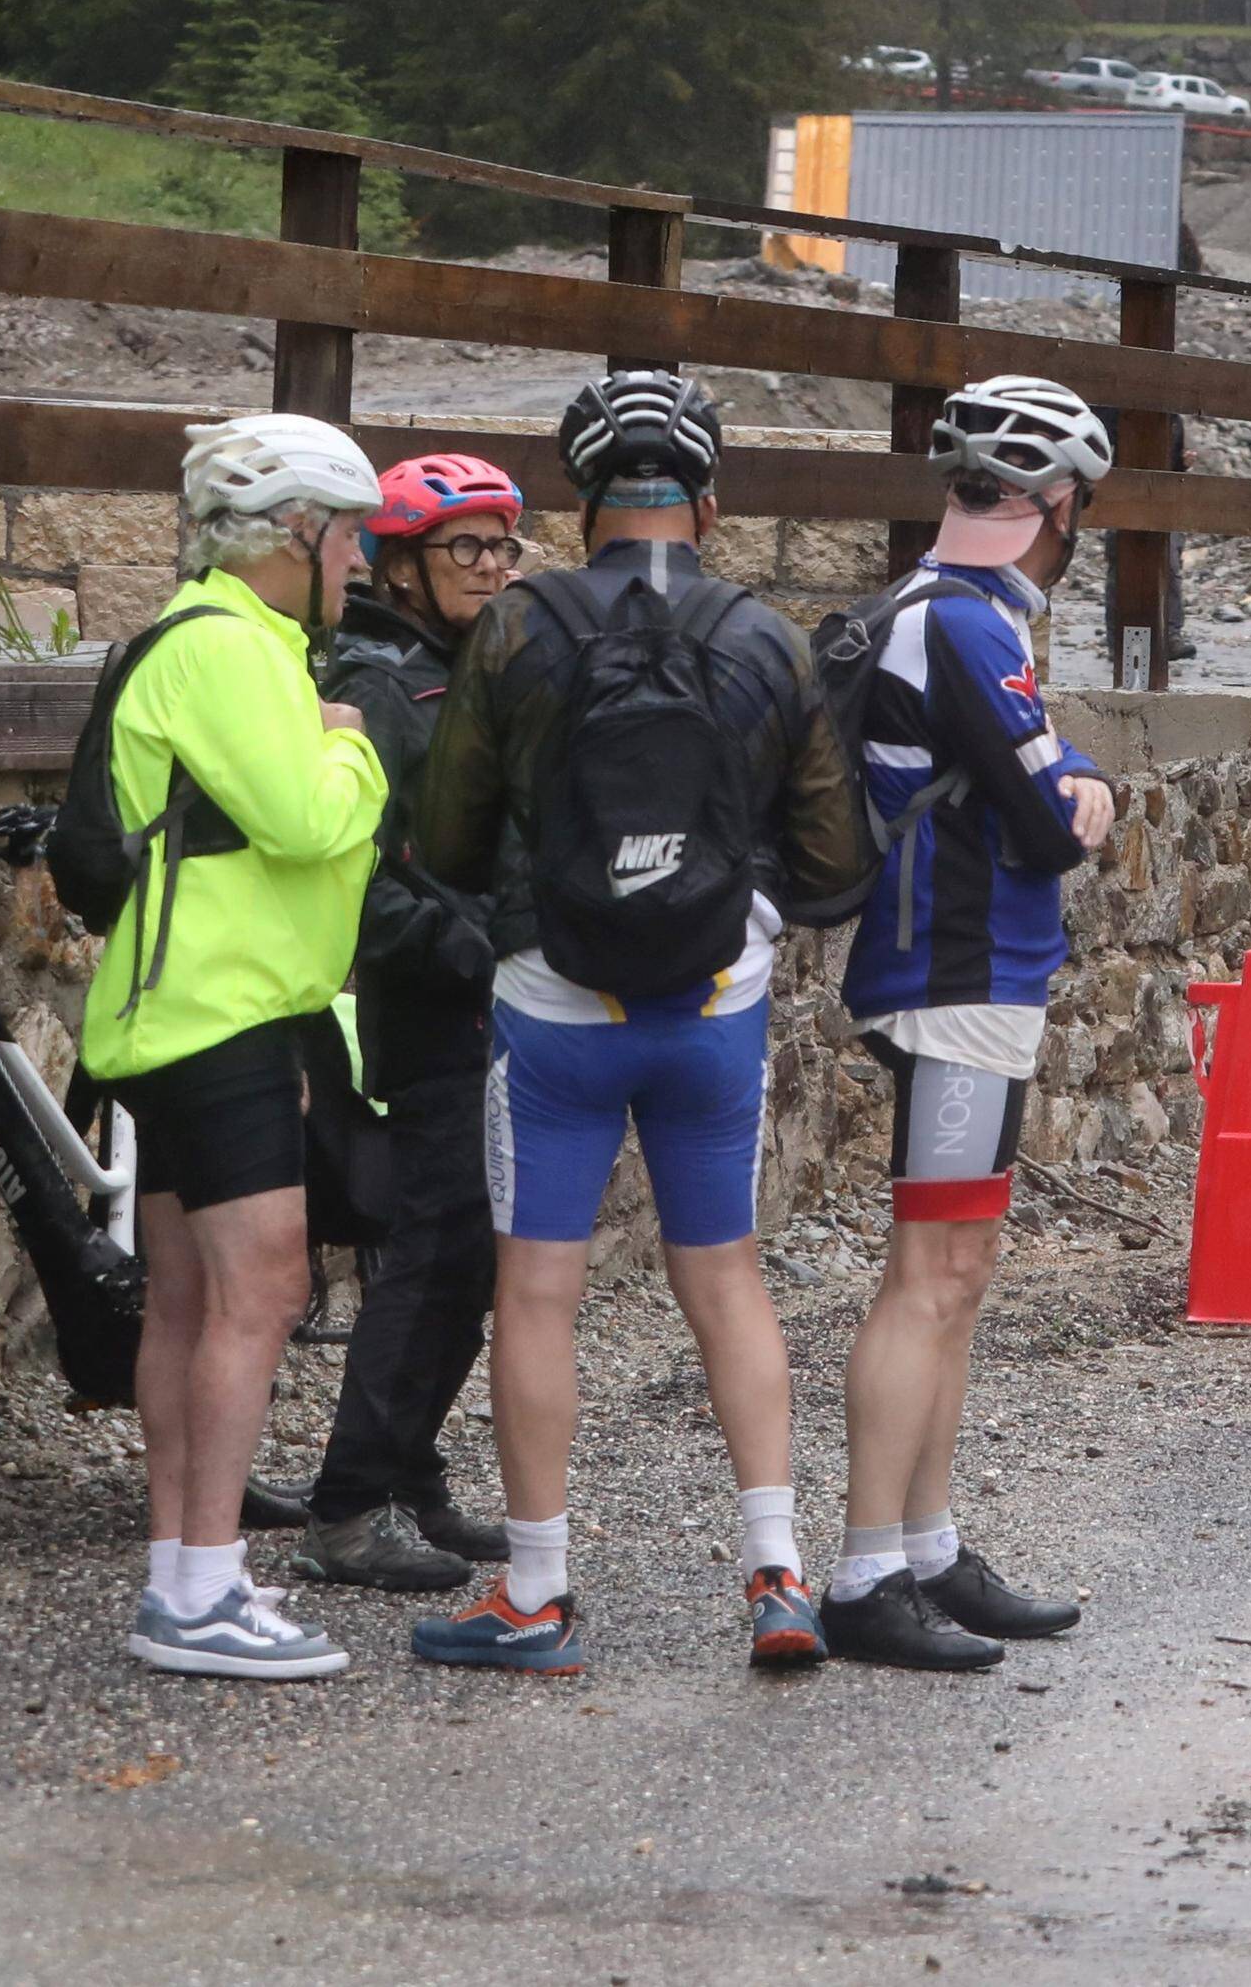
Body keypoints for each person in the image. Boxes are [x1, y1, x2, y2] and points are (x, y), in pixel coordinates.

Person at [408, 370, 867, 1676]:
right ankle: (777, 1575)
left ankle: (537, 1592)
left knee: (537, 1291)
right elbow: (836, 865)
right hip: (713, 1008)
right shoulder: (764, 637)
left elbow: (447, 840)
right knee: (724, 1276)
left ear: (581, 505)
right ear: (708, 506)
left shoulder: (518, 627)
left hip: (556, 1007)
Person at [822, 373, 1122, 1672]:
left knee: (962, 1270)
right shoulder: (962, 622)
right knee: (929, 1275)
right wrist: (1081, 790)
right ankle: (864, 1573)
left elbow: (1030, 768)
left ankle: (929, 1547)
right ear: (1058, 505)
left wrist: (1070, 774)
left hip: (965, 972)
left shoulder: (955, 610)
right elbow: (1049, 821)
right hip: (954, 970)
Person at [85, 413, 389, 1679]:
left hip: (192, 1011)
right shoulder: (230, 647)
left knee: (189, 1299)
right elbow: (307, 822)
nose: (363, 559)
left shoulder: (220, 636)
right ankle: (202, 1591)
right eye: (352, 534)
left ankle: (181, 1575)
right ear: (295, 531)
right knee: (258, 1291)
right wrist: (353, 745)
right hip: (223, 1015)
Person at [285, 454, 528, 1593]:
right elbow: (358, 879)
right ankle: (345, 1509)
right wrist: (465, 947)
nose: (492, 565)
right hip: (433, 1012)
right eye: (464, 546)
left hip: (485, 1004)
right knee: (432, 1254)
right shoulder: (383, 688)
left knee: (467, 1257)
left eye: (503, 544)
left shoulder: (468, 667)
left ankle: (410, 1474)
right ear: (398, 565)